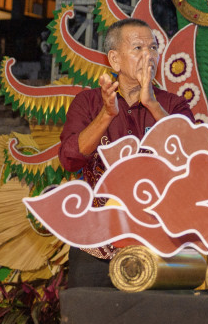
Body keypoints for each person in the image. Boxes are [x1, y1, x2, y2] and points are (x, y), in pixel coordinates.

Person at [58, 18, 194, 288]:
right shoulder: (88, 103)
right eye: (138, 48)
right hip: (97, 244)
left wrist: (152, 105)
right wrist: (106, 116)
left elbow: (192, 156)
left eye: (153, 48)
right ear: (115, 60)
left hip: (161, 242)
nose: (149, 56)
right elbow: (69, 158)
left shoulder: (172, 104)